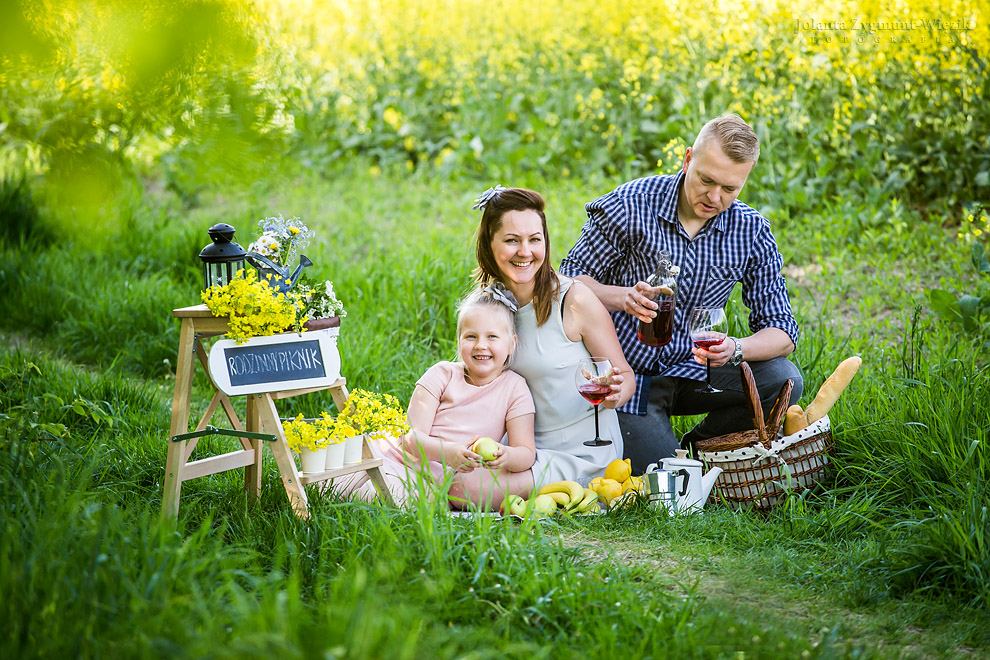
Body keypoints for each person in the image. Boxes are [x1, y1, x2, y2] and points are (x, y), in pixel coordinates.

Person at [558, 113, 803, 475]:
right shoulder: (629, 205)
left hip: (697, 371)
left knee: (784, 379)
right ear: (688, 159)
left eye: (730, 188)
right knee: (669, 483)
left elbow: (782, 330)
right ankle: (667, 450)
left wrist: (735, 348)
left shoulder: (751, 231)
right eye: (706, 180)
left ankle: (700, 447)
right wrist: (622, 297)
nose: (714, 197)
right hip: (630, 378)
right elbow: (567, 280)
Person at [470, 186, 636, 490]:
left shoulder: (574, 300)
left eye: (534, 239)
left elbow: (625, 375)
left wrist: (615, 393)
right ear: (489, 244)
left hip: (580, 452)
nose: (525, 251)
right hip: (515, 448)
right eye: (512, 240)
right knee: (444, 468)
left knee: (467, 488)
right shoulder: (487, 305)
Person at [336, 290, 536, 511]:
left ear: (511, 344)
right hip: (399, 458)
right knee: (335, 477)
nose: (480, 345)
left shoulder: (515, 388)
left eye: (492, 337)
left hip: (435, 483)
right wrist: (448, 453)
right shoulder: (443, 374)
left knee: (387, 498)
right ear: (459, 340)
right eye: (471, 336)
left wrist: (506, 456)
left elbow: (526, 453)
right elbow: (411, 438)